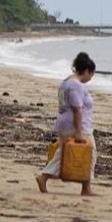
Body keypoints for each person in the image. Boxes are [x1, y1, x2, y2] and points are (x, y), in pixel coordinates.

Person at [37, 52, 97, 196]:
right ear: (87, 71)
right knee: (90, 152)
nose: (91, 78)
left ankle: (43, 177)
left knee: (62, 153)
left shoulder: (66, 82)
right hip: (76, 125)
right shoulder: (76, 85)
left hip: (63, 123)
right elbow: (77, 109)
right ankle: (86, 188)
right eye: (92, 74)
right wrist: (78, 131)